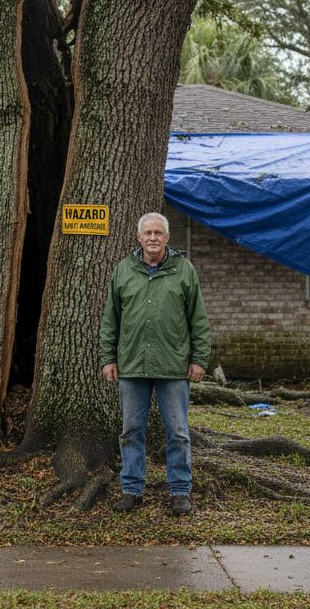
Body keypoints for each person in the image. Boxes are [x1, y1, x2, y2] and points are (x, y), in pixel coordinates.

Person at [99, 211, 210, 516]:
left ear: (166, 238)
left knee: (178, 432)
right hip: (131, 366)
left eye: (157, 233)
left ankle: (180, 491)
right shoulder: (124, 270)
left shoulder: (184, 270)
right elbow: (111, 319)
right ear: (138, 238)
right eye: (147, 233)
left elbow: (197, 319)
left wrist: (199, 359)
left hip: (173, 366)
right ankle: (132, 490)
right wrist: (108, 358)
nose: (152, 238)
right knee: (131, 431)